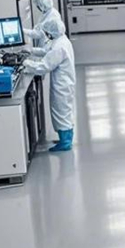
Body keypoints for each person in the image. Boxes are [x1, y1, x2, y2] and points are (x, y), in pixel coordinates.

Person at [22, 17, 77, 152]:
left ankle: (65, 143)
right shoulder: (61, 40)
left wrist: (26, 64)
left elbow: (44, 66)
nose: (46, 35)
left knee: (60, 111)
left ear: (51, 32)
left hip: (61, 85)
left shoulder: (59, 47)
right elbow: (48, 51)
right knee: (64, 110)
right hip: (65, 82)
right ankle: (66, 138)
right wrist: (32, 51)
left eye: (47, 32)